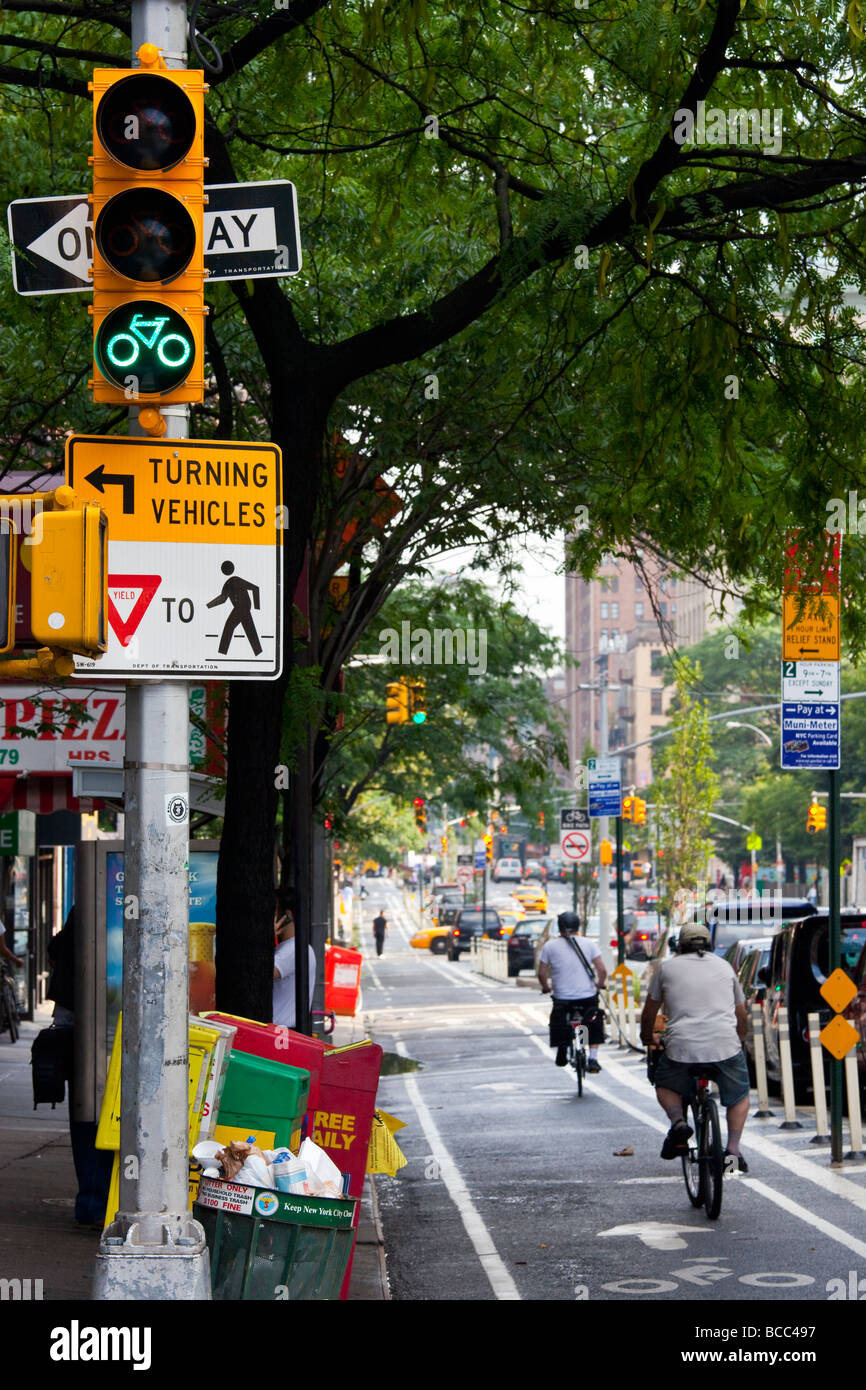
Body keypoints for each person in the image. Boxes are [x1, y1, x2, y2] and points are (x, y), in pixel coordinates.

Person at [640, 919, 750, 1171]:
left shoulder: (667, 969)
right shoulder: (724, 967)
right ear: (709, 945)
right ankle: (733, 1151)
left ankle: (679, 1122)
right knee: (740, 1095)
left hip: (681, 1047)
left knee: (665, 1082)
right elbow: (741, 1014)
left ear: (680, 945)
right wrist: (739, 1038)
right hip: (724, 1045)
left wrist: (648, 1037)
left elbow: (649, 1012)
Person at [537, 910, 607, 1073]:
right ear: (578, 926)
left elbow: (541, 973)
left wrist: (546, 987)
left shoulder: (550, 946)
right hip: (587, 996)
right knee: (593, 1019)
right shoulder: (589, 944)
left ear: (560, 927)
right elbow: (602, 970)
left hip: (562, 997)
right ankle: (593, 1058)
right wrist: (599, 985)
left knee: (558, 1019)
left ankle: (562, 1049)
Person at [273, 896, 316, 1029]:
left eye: (274, 913)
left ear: (287, 916)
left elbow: (263, 972)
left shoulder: (293, 949)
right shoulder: (289, 947)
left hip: (282, 1031)